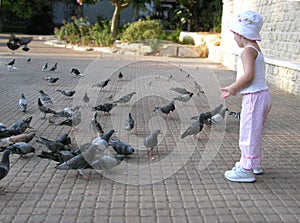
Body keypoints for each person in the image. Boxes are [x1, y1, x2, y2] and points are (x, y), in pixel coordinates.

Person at [220, 10, 272, 182]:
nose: (234, 38)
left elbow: (248, 76)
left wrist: (233, 88)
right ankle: (254, 163)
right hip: (262, 95)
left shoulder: (247, 51)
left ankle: (245, 169)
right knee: (255, 132)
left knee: (248, 133)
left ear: (241, 34)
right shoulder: (256, 48)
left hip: (254, 97)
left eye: (234, 34)